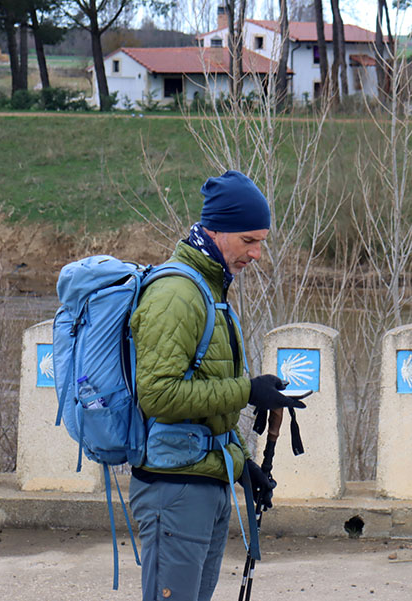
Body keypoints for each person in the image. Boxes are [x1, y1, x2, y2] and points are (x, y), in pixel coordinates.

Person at [128, 170, 305, 601]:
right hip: (174, 489)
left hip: (202, 481)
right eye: (248, 240)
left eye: (261, 241)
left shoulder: (210, 291)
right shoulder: (177, 294)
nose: (257, 254)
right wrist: (248, 391)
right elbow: (157, 394)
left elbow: (206, 402)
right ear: (216, 229)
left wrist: (243, 464)